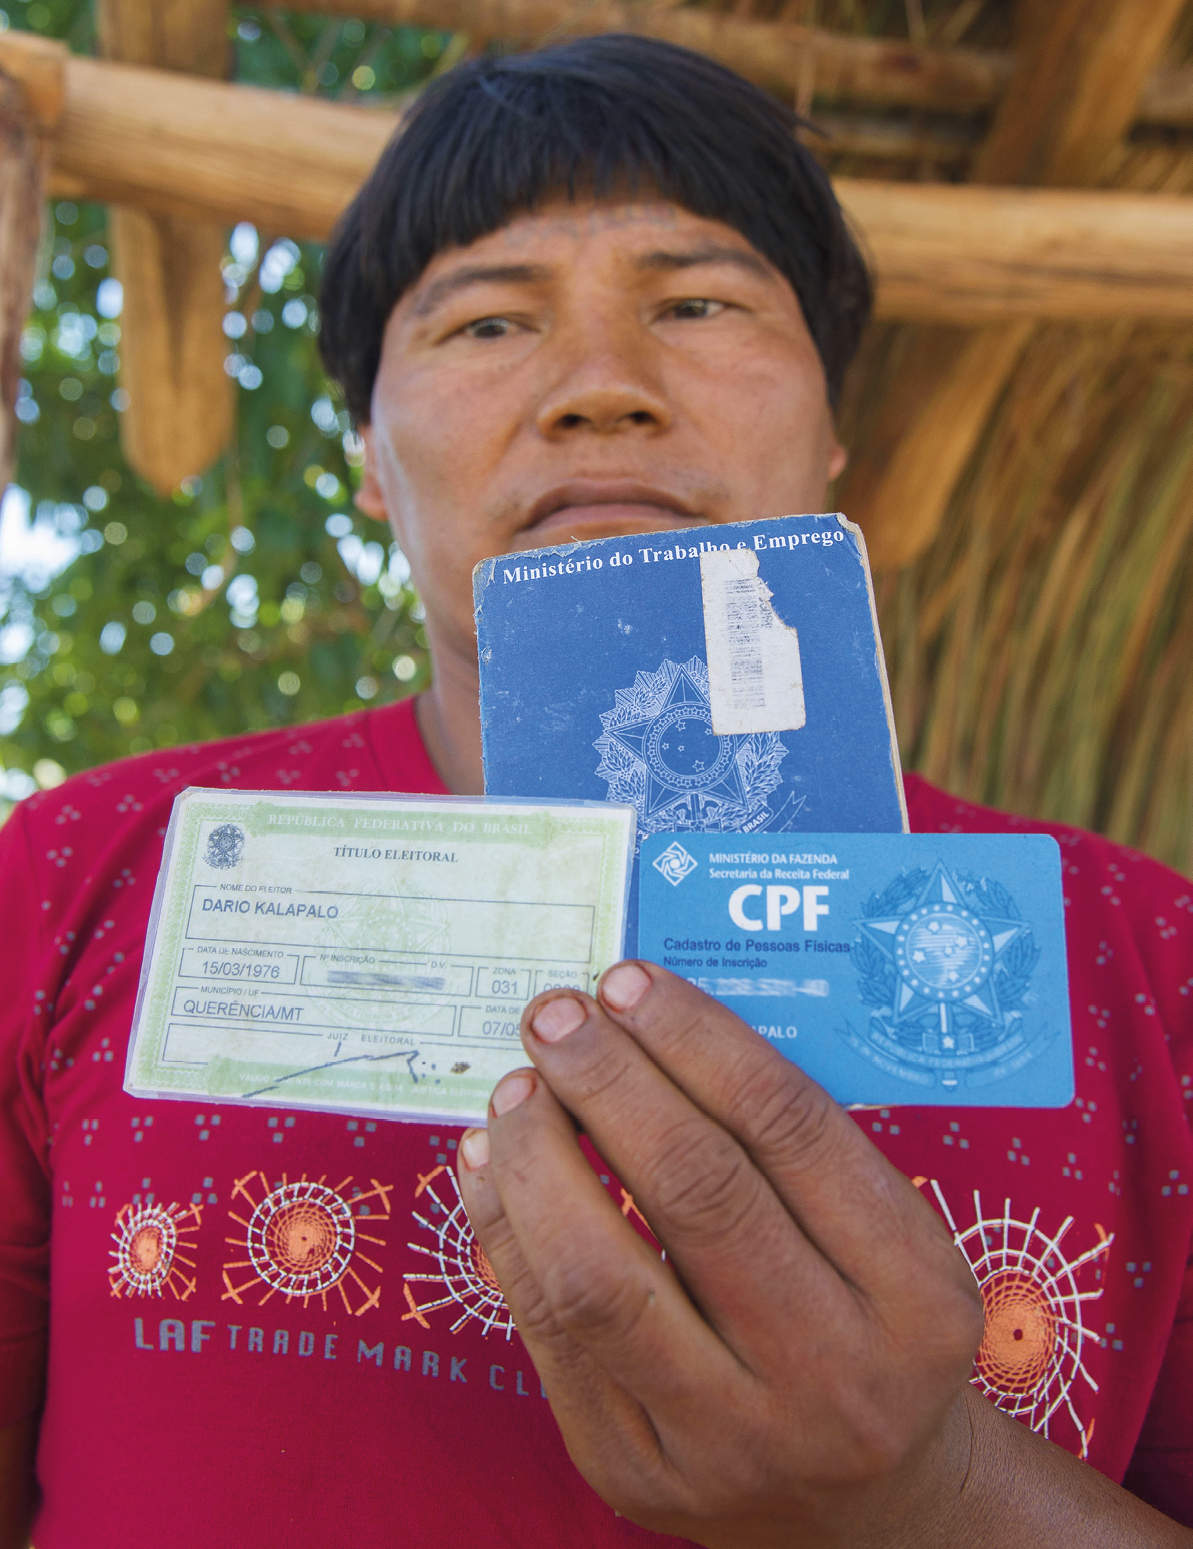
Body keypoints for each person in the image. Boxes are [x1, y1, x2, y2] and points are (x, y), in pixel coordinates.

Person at [1, 34, 1191, 1549]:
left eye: (698, 304)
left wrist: (931, 1490)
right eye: (490, 322)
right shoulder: (85, 875)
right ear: (370, 454)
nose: (602, 389)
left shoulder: (1153, 966)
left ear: (838, 430)